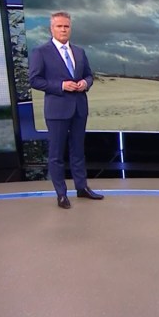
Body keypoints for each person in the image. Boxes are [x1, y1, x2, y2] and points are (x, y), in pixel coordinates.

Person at [29, 11, 104, 209]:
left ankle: (82, 187)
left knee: (78, 151)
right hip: (57, 110)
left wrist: (85, 83)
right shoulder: (41, 52)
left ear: (70, 28)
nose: (63, 29)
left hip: (79, 108)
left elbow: (89, 76)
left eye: (66, 26)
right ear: (51, 29)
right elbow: (35, 80)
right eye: (59, 26)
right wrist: (61, 86)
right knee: (56, 154)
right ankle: (61, 194)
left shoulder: (79, 52)